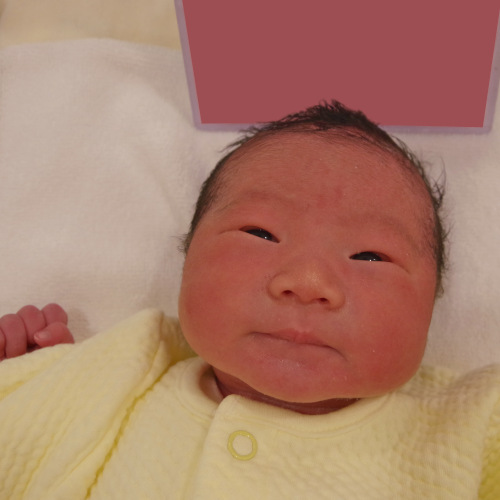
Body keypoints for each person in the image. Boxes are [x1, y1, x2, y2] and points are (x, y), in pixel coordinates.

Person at [0, 101, 498, 499]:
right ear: (186, 258)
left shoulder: (471, 429)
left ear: (431, 308)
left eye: (370, 256)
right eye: (260, 233)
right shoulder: (119, 382)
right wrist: (43, 391)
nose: (307, 281)